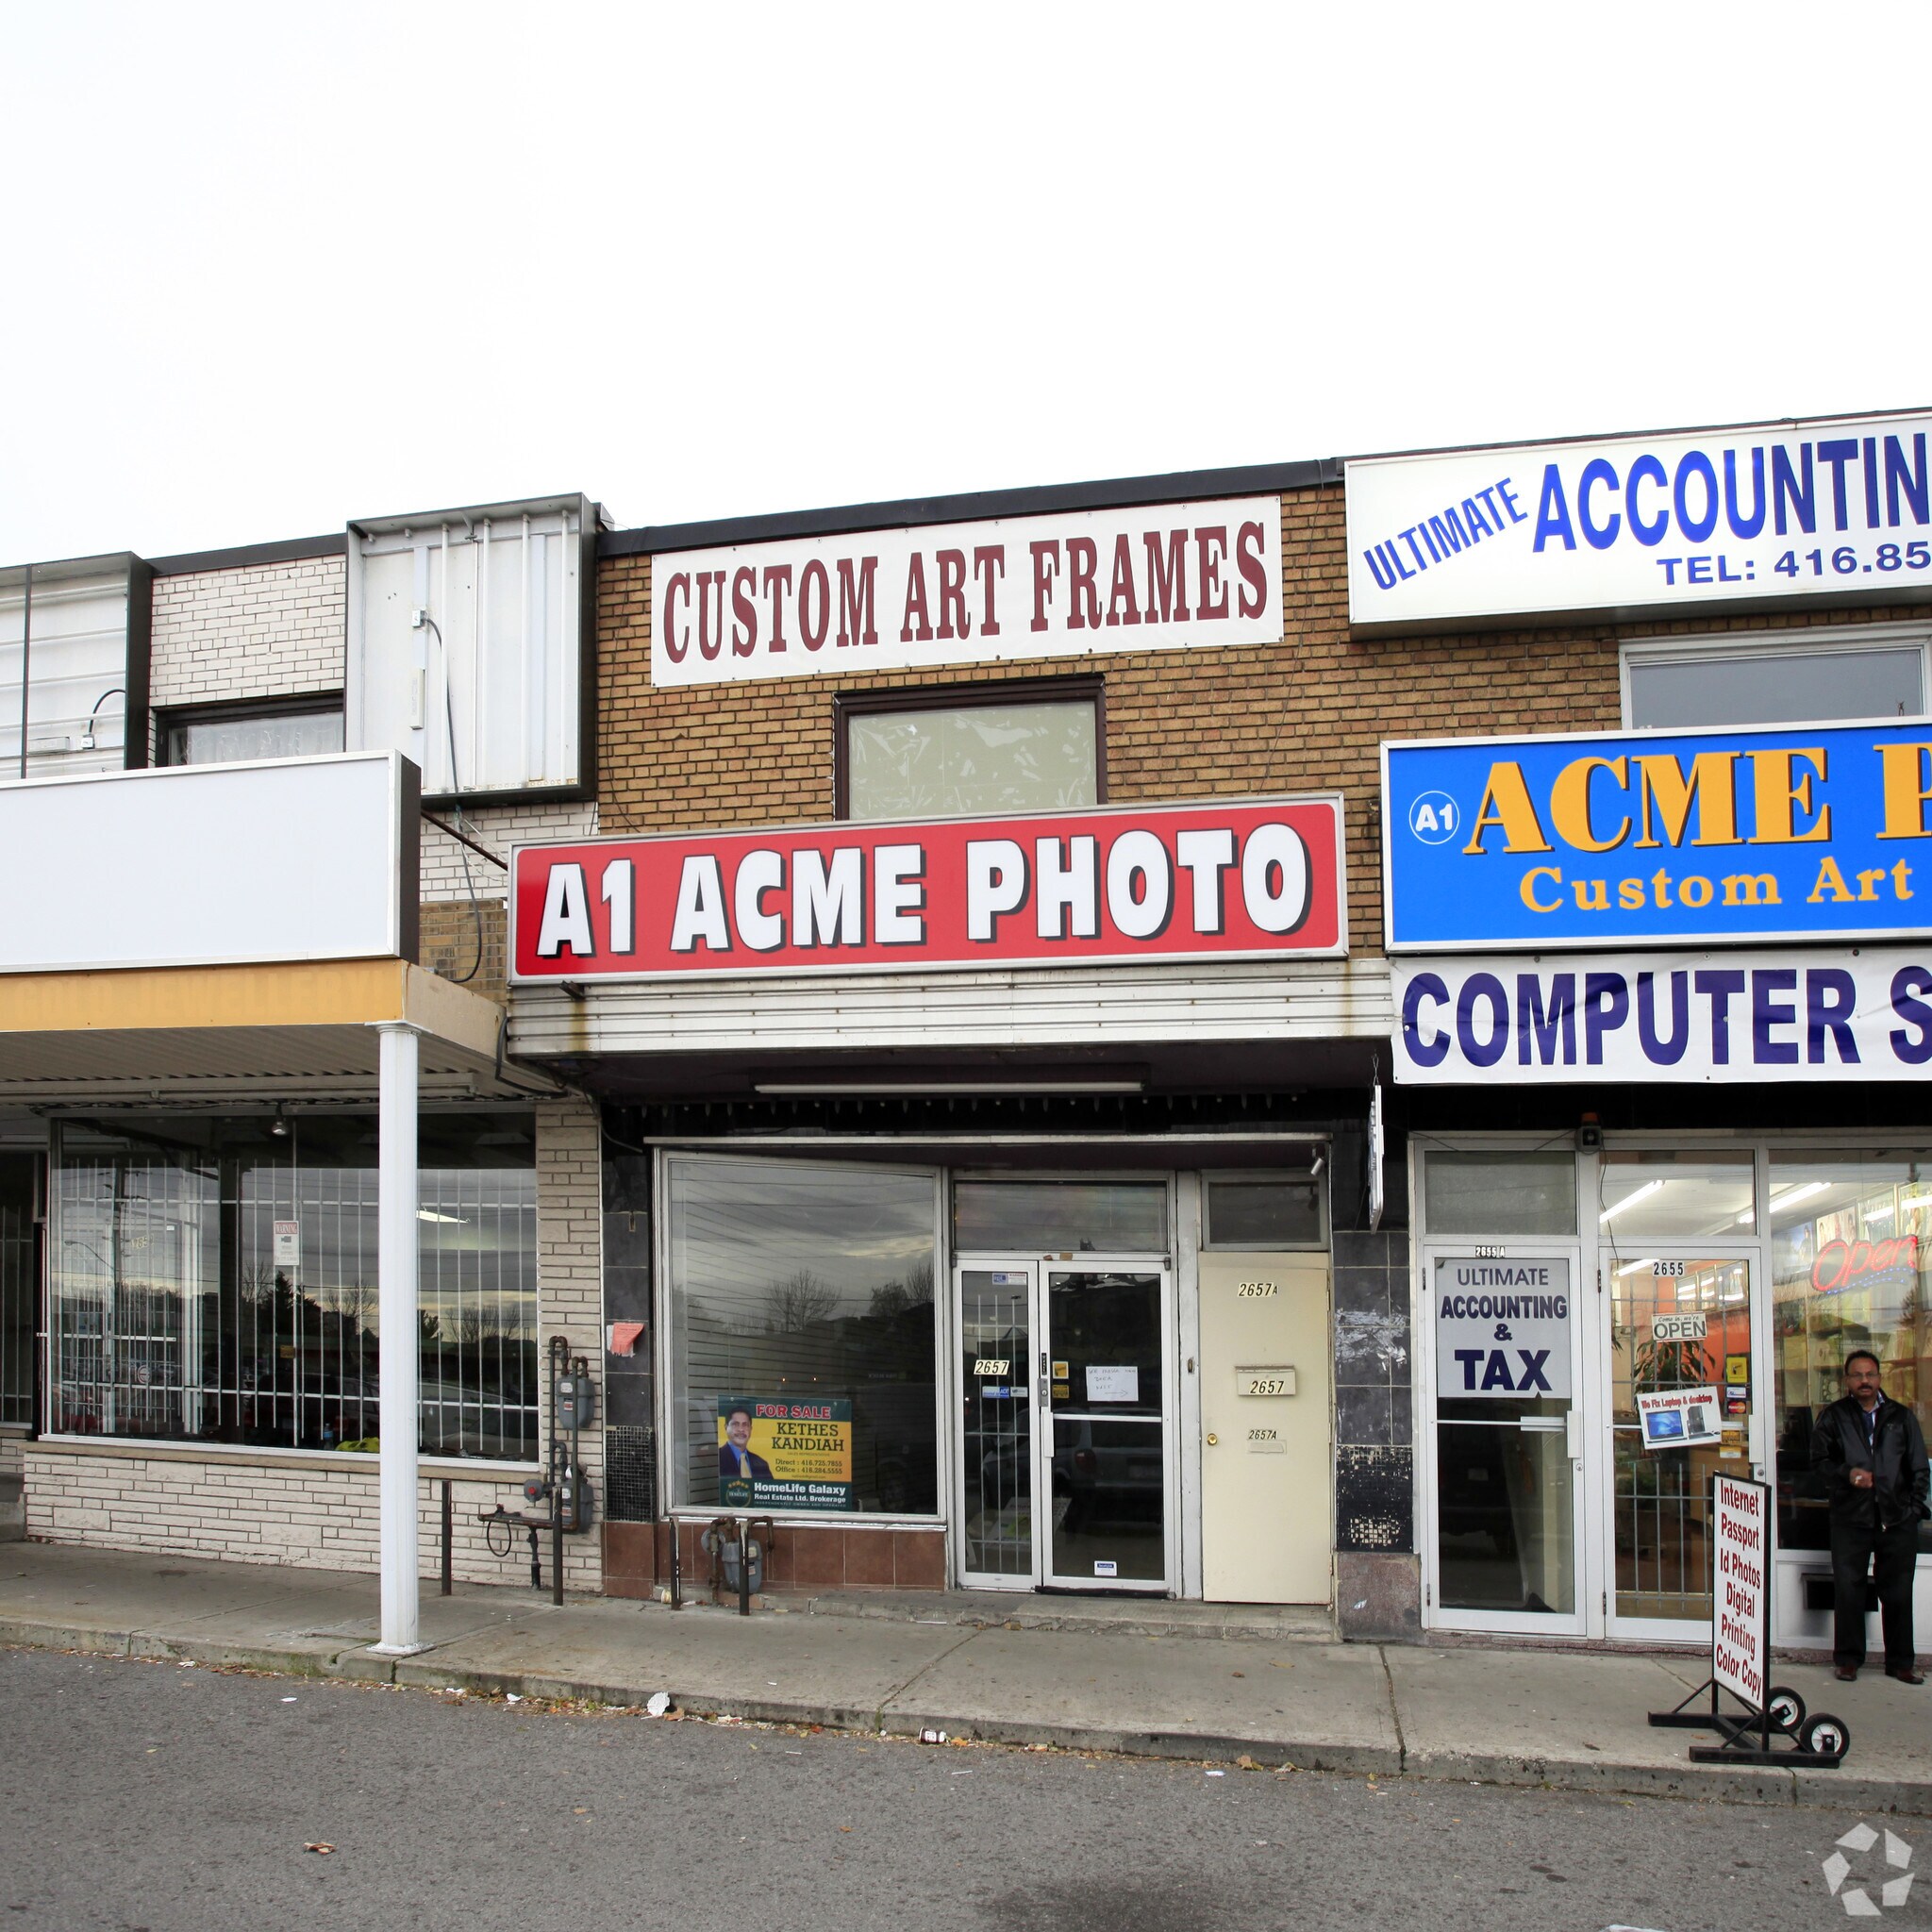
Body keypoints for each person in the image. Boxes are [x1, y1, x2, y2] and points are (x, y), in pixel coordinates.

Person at [1810, 1349, 1930, 1684]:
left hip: (1896, 1520)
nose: (1865, 1381)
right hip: (1851, 1519)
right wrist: (1848, 1475)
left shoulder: (1901, 1417)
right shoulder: (1833, 1417)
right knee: (1849, 1589)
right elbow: (1818, 1463)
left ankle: (1900, 1662)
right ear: (1847, 1381)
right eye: (1858, 1375)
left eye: (1871, 1375)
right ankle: (1848, 1659)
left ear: (1880, 1378)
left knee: (1898, 1591)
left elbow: (1919, 1468)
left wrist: (1911, 1510)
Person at [718, 1404, 773, 1481]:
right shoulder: (717, 1459)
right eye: (735, 1424)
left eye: (745, 1425)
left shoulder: (762, 1464)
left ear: (751, 1429)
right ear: (726, 1428)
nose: (741, 1429)